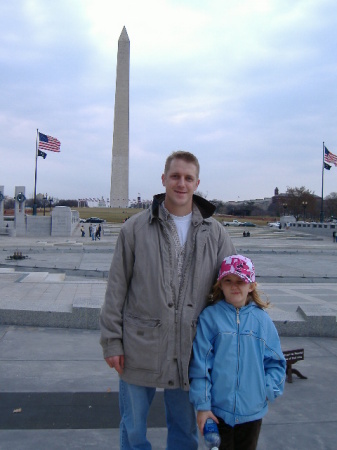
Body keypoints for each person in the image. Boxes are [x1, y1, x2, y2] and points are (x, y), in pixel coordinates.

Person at [100, 150, 236, 449]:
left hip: (192, 348)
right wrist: (112, 341)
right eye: (175, 176)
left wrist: (229, 344)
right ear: (163, 179)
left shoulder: (216, 233)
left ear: (197, 183)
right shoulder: (134, 229)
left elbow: (231, 290)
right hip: (138, 345)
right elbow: (116, 288)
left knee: (185, 431)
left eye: (188, 178)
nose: (181, 184)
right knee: (133, 430)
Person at [189, 254, 286, 450]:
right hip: (218, 413)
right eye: (228, 281)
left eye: (241, 281)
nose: (234, 286)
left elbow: (275, 362)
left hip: (252, 413)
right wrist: (203, 405)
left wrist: (267, 389)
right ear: (220, 285)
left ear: (251, 285)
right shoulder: (210, 318)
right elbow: (200, 366)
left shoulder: (262, 321)